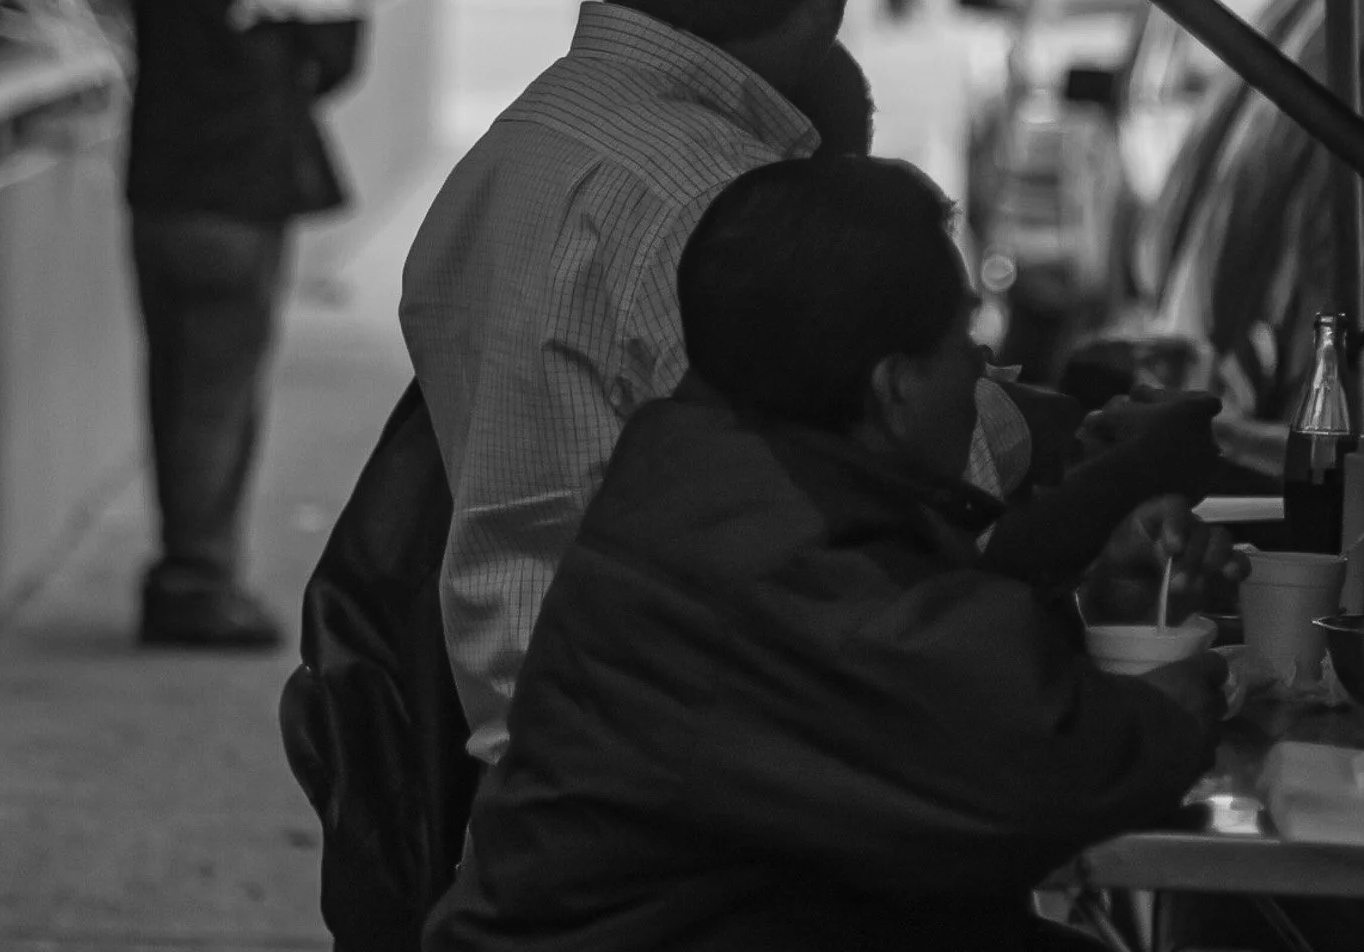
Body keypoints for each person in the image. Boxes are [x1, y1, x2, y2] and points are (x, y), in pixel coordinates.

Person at [401, 0, 1039, 764]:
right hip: (694, 798)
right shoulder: (723, 205)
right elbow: (927, 525)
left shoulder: (517, 147)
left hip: (544, 782)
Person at [431, 157, 1227, 952]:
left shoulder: (709, 470)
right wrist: (1183, 697)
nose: (979, 369)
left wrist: (1112, 609)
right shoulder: (776, 548)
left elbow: (942, 675)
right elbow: (1044, 761)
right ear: (895, 388)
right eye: (962, 342)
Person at [125, 0, 364, 649]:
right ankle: (199, 580)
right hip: (238, 202)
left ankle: (176, 567)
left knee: (171, 380)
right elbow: (341, 46)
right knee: (221, 393)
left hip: (157, 196)